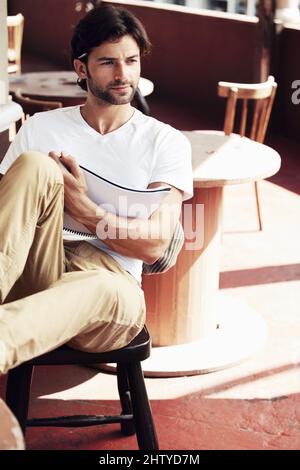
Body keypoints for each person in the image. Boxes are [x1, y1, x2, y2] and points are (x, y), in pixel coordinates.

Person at [0, 4, 193, 374]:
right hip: (44, 267)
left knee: (101, 286)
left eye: (131, 60)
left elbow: (154, 246)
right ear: (81, 68)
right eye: (108, 62)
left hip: (112, 289)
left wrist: (84, 207)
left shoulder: (164, 141)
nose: (123, 74)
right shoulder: (41, 127)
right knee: (35, 164)